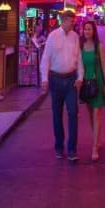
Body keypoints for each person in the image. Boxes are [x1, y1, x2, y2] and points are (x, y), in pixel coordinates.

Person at [40, 10, 84, 162]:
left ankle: (72, 149)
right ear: (64, 20)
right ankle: (59, 146)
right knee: (57, 114)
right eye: (71, 21)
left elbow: (79, 58)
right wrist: (44, 79)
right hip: (56, 79)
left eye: (73, 21)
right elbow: (46, 58)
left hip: (71, 79)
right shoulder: (53, 36)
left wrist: (80, 76)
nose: (73, 24)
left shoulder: (75, 36)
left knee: (73, 113)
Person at [79, 21, 105, 161]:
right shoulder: (80, 46)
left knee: (97, 113)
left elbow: (103, 66)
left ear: (93, 31)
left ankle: (94, 147)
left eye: (89, 29)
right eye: (85, 29)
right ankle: (96, 139)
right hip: (86, 83)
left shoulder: (99, 47)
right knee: (90, 113)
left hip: (97, 82)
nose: (87, 31)